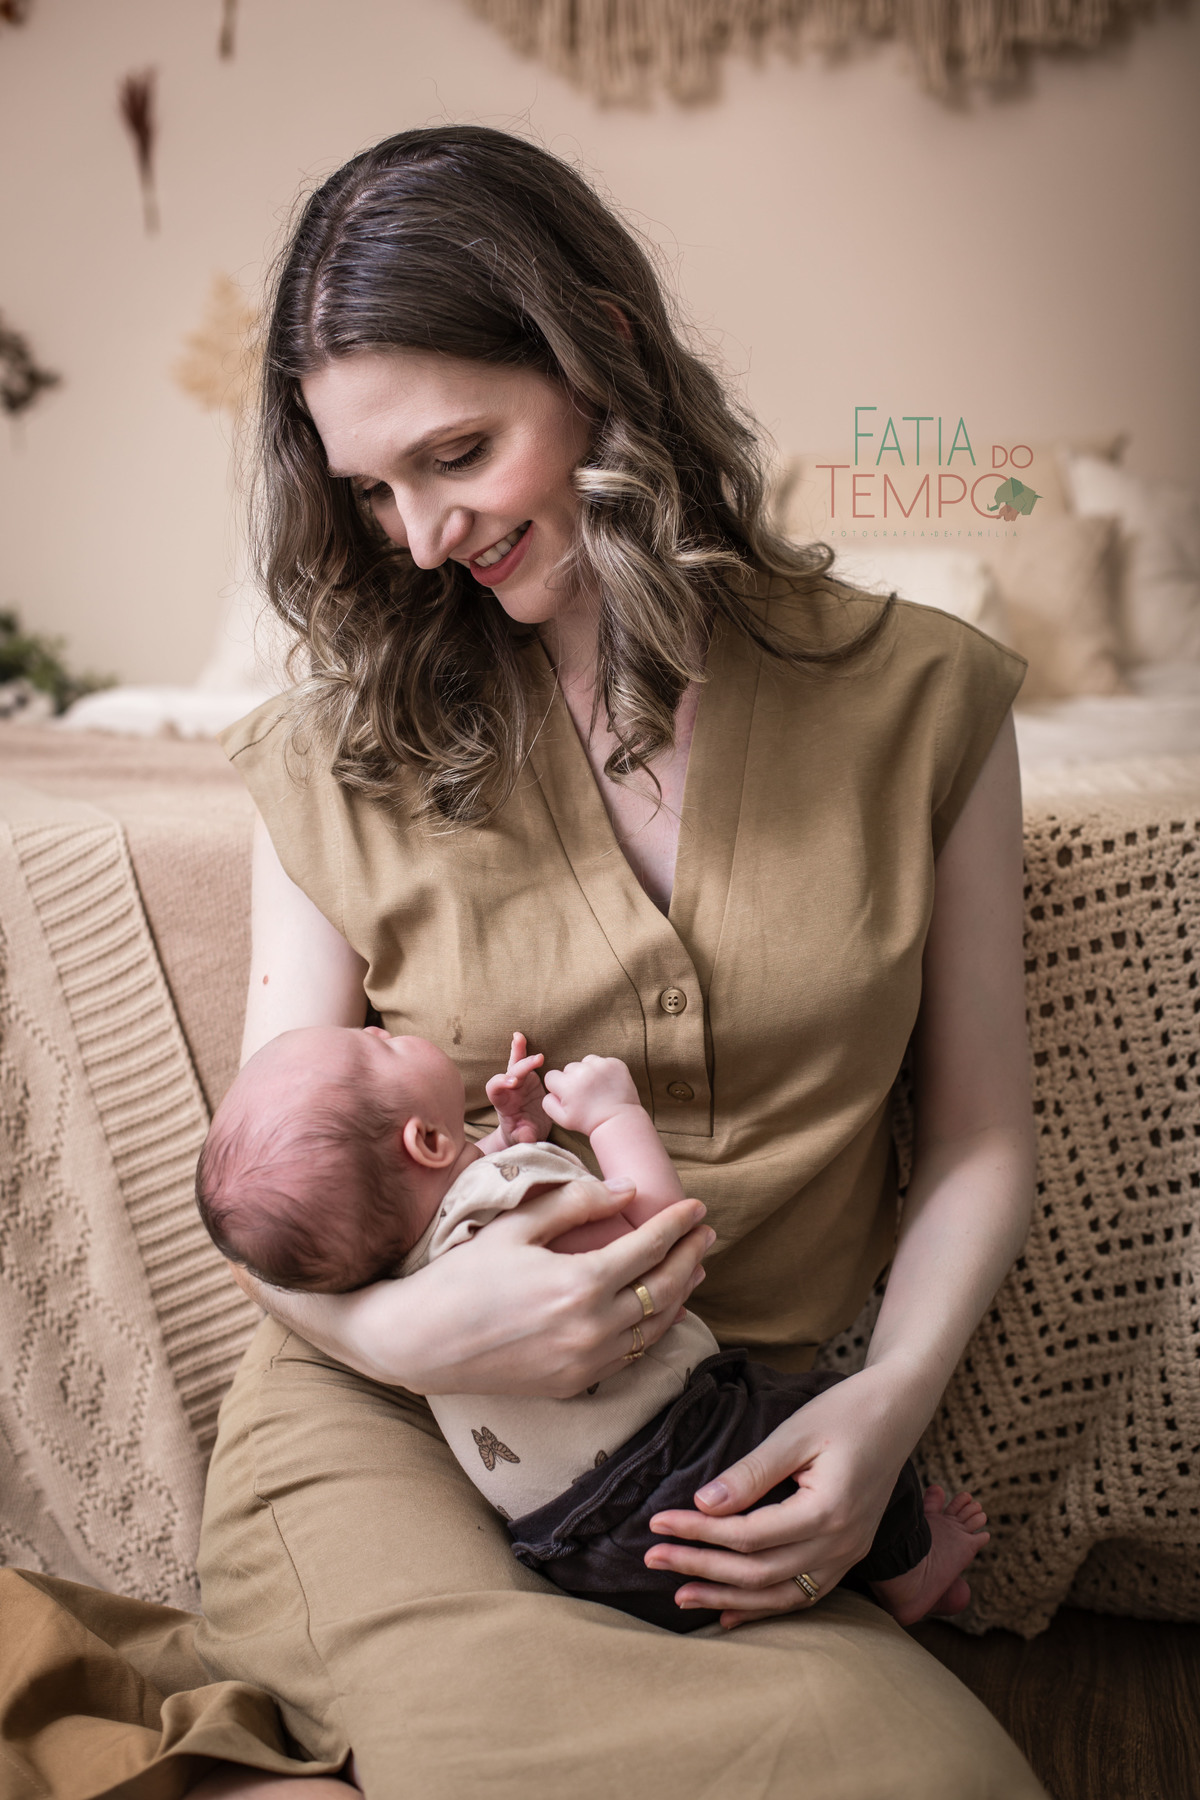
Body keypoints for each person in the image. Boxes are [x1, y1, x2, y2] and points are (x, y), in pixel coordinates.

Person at [193, 124, 1047, 1798]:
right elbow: (261, 1198)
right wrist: (411, 1339)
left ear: (605, 353)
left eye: (457, 453)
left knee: (942, 1782)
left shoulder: (929, 703)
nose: (421, 534)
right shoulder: (326, 752)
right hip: (391, 1437)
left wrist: (882, 1415)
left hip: (721, 1456)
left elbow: (976, 1136)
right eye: (370, 489)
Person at [195, 1027, 991, 1634]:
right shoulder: (501, 1196)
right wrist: (614, 1118)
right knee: (833, 1418)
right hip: (674, 1468)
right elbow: (659, 1241)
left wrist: (513, 1144)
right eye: (376, 1045)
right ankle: (912, 1572)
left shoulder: (400, 1263)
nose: (377, 1030)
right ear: (429, 1142)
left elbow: (477, 1220)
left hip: (568, 1548)